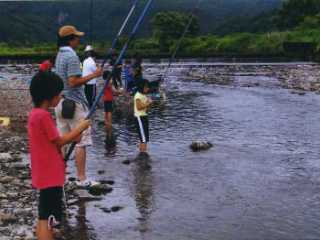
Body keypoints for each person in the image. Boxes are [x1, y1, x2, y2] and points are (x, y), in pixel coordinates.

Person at [28, 71, 91, 240]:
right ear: (50, 97)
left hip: (42, 173)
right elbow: (58, 141)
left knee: (44, 214)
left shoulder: (34, 115)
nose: (61, 97)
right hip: (50, 175)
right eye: (58, 94)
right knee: (49, 217)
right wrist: (80, 128)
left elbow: (52, 141)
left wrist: (74, 137)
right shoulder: (43, 116)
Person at [54, 25, 103, 187]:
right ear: (70, 39)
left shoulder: (59, 55)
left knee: (62, 140)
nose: (79, 40)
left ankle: (61, 176)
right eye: (76, 37)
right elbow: (73, 82)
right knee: (80, 141)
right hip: (74, 104)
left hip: (60, 102)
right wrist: (94, 75)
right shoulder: (72, 56)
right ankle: (82, 179)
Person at [134, 79, 153, 153]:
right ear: (141, 87)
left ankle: (142, 152)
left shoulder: (144, 95)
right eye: (146, 87)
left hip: (144, 116)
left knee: (145, 138)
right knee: (143, 139)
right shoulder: (138, 95)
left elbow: (146, 109)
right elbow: (139, 107)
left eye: (148, 87)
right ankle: (143, 154)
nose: (147, 89)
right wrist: (148, 103)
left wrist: (149, 104)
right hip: (139, 118)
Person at [103, 71, 121, 144]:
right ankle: (109, 124)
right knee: (109, 111)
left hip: (105, 98)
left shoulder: (104, 81)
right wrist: (119, 92)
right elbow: (113, 90)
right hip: (109, 98)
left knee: (106, 111)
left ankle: (106, 123)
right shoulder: (109, 82)